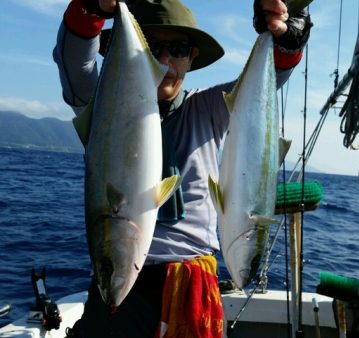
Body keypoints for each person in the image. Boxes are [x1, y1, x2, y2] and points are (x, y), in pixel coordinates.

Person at [53, 0, 312, 337]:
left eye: (177, 49)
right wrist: (92, 8)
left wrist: (287, 36)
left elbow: (265, 83)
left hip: (193, 285)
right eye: (152, 46)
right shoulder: (104, 108)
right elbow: (75, 63)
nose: (164, 61)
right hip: (122, 280)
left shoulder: (207, 108)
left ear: (192, 58)